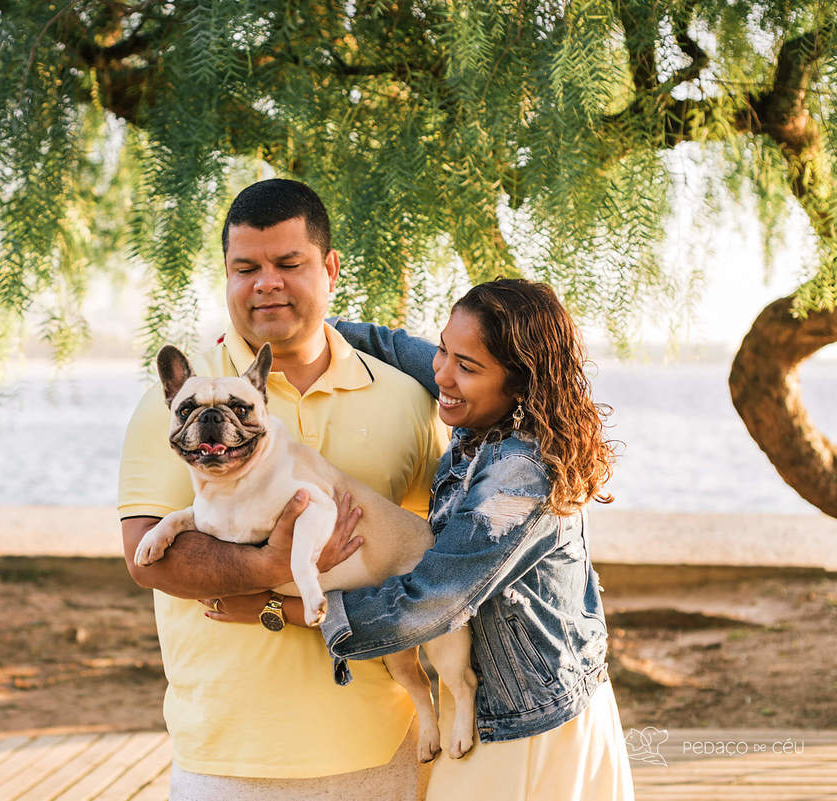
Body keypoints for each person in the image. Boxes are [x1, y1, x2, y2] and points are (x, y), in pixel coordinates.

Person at [209, 279, 636, 800]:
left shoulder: (519, 476)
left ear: (519, 383)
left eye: (467, 367)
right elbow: (390, 346)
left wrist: (272, 607)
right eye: (443, 350)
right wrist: (302, 333)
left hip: (530, 723)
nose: (442, 375)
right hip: (492, 708)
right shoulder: (482, 407)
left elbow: (426, 603)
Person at [118, 178, 448, 800]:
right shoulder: (179, 408)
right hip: (229, 751)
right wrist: (275, 564)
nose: (266, 282)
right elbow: (148, 560)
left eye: (287, 263)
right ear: (225, 277)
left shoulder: (406, 399)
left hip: (382, 743)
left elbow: (434, 562)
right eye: (246, 268)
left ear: (329, 268)